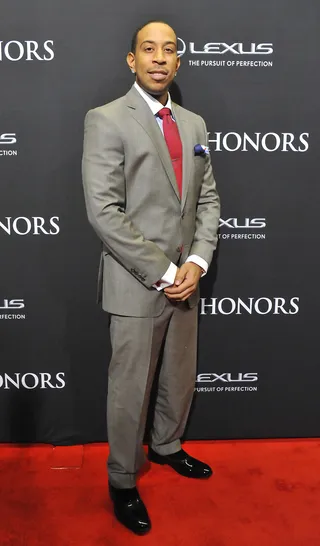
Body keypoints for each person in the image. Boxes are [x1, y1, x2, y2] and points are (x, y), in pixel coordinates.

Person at [82, 20, 220, 535]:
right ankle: (121, 479)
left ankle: (166, 446)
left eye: (169, 51)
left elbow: (207, 199)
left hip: (187, 278)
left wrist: (197, 263)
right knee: (129, 386)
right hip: (137, 281)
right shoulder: (106, 119)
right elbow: (104, 212)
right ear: (132, 60)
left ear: (178, 62)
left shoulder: (194, 123)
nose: (159, 58)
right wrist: (163, 271)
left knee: (179, 375)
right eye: (148, 49)